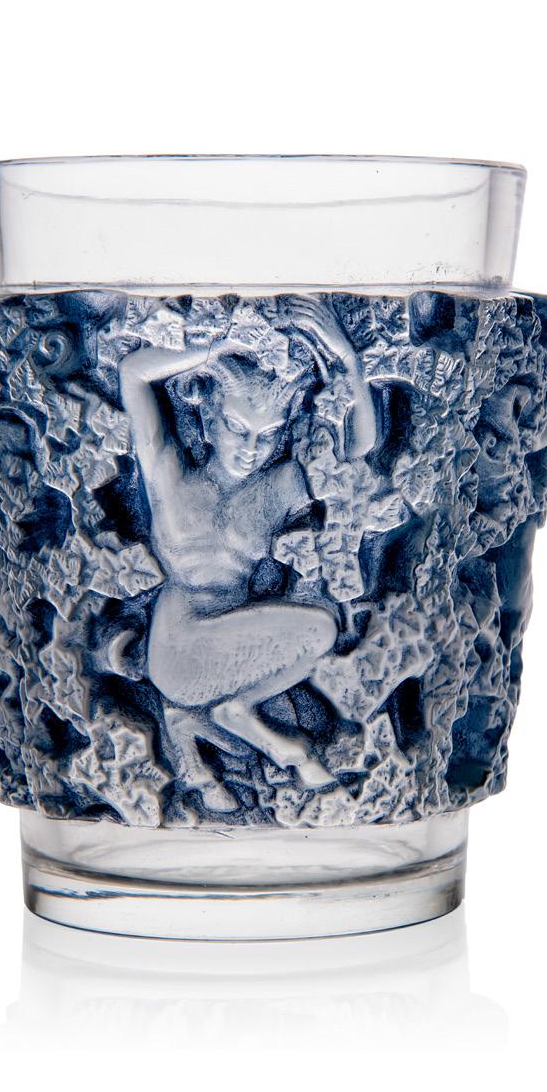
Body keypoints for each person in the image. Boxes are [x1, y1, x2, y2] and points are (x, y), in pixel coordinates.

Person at [119, 297, 377, 811]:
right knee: (319, 630)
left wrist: (349, 361)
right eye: (238, 429)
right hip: (176, 640)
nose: (251, 448)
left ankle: (235, 715)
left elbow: (357, 449)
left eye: (267, 435)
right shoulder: (168, 475)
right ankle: (240, 720)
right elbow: (132, 374)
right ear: (209, 420)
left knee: (321, 630)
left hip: (229, 638)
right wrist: (218, 345)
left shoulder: (278, 487)